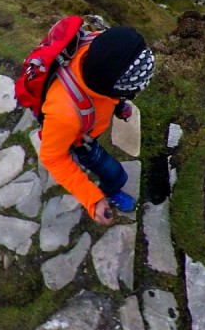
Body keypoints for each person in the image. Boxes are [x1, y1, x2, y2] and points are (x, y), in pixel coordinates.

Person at [37, 25, 155, 225]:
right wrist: (93, 199)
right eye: (129, 92)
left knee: (113, 173)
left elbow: (107, 91)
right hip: (80, 141)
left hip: (85, 125)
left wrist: (118, 106)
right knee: (117, 175)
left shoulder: (101, 49)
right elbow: (52, 158)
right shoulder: (64, 114)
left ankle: (110, 188)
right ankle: (110, 193)